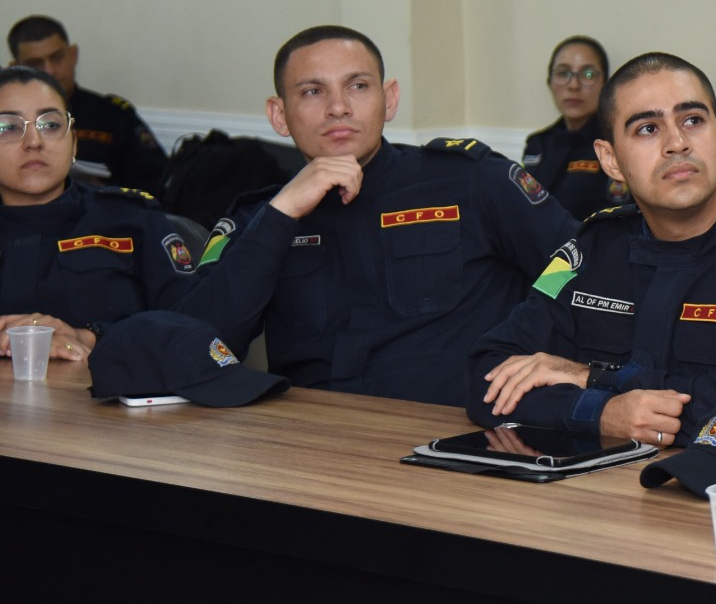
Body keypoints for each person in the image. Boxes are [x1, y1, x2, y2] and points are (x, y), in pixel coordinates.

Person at [470, 52, 716, 455]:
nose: (677, 143)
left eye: (693, 120)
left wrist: (592, 380)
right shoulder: (585, 249)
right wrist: (600, 414)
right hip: (610, 491)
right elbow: (489, 372)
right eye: (647, 129)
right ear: (610, 159)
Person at [184, 26, 577, 407]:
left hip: (455, 435)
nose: (338, 107)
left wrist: (555, 360)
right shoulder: (259, 218)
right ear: (279, 115)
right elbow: (191, 348)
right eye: (312, 91)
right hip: (308, 445)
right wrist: (282, 214)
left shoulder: (470, 181)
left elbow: (584, 273)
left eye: (358, 86)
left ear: (389, 100)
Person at [0, 66, 200, 364]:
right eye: (9, 127)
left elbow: (195, 327)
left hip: (113, 402)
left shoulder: (131, 219)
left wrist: (90, 336)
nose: (34, 142)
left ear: (74, 143)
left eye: (51, 125)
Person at [7, 15, 168, 193]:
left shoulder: (112, 115)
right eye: (35, 64)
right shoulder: (7, 122)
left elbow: (157, 182)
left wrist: (105, 191)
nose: (49, 71)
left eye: (57, 58)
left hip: (103, 215)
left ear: (73, 55)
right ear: (16, 68)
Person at [521, 35, 633, 221]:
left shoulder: (615, 144)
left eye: (588, 74)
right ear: (550, 82)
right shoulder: (538, 144)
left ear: (605, 84)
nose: (573, 85)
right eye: (563, 73)